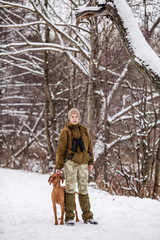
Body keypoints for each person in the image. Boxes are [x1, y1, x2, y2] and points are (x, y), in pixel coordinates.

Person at [56, 108, 98, 226]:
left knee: (83, 188)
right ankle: (69, 217)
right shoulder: (65, 131)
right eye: (72, 117)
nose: (74, 119)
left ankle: (88, 216)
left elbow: (89, 146)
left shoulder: (84, 130)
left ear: (79, 118)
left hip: (84, 162)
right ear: (69, 118)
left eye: (76, 117)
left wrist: (91, 162)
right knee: (70, 188)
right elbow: (60, 150)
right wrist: (58, 166)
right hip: (71, 162)